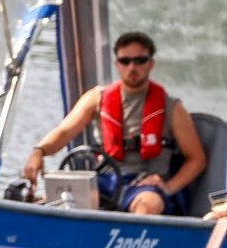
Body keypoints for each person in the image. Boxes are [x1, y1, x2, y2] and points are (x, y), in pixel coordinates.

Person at [21, 31, 205, 215]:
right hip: (105, 181)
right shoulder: (96, 99)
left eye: (140, 61)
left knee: (148, 205)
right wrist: (39, 151)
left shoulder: (172, 108)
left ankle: (131, 240)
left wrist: (168, 187)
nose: (132, 67)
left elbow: (197, 159)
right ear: (117, 64)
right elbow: (64, 131)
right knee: (52, 202)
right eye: (125, 61)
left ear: (151, 64)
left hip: (145, 185)